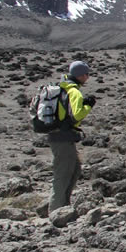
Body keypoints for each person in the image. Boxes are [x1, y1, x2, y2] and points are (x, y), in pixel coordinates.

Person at [48, 60, 95, 212]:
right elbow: (77, 115)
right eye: (86, 74)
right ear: (80, 75)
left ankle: (63, 206)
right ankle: (56, 210)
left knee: (74, 169)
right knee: (64, 172)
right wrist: (88, 105)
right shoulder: (73, 91)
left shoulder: (63, 87)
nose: (88, 77)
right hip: (63, 135)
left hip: (59, 135)